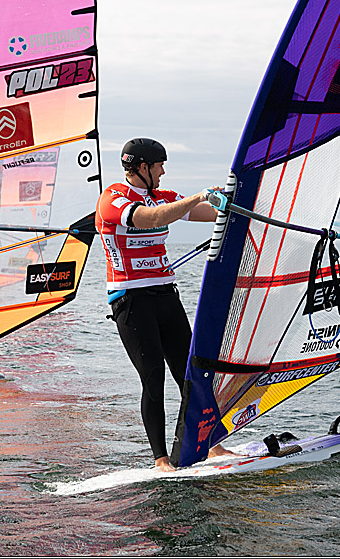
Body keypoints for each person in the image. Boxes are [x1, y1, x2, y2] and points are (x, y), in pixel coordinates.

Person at [95, 138, 235, 471]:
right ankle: (161, 459)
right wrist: (196, 197)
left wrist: (231, 203)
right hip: (131, 301)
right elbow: (149, 218)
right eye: (159, 166)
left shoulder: (164, 196)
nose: (163, 172)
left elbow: (210, 213)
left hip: (165, 296)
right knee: (153, 375)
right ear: (142, 167)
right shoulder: (112, 199)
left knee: (189, 372)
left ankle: (211, 444)